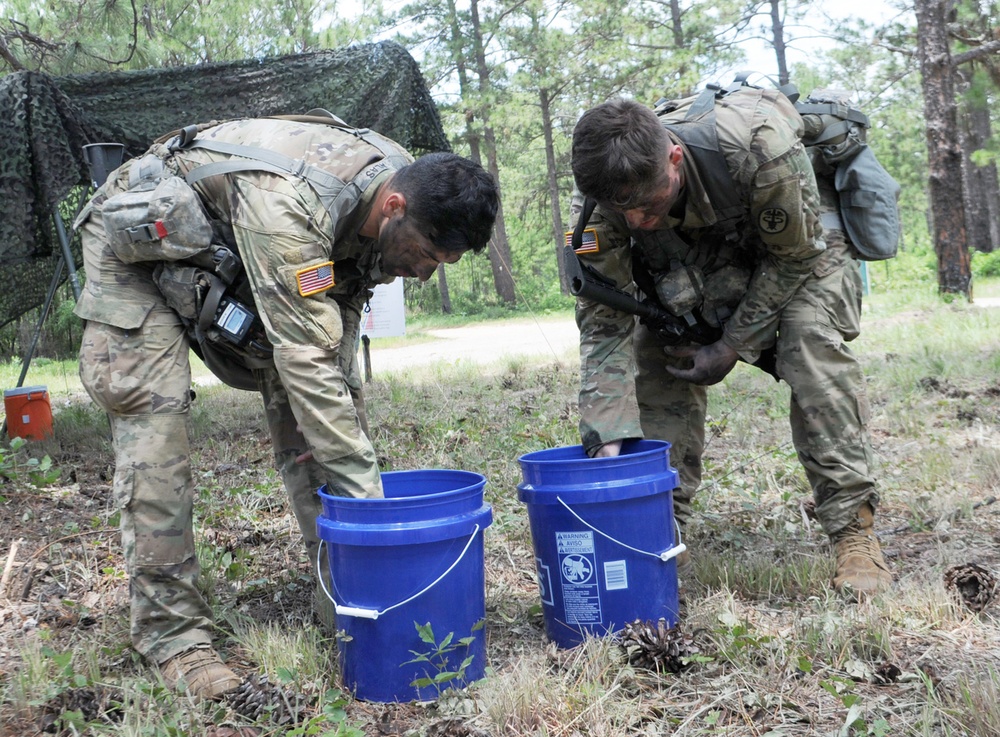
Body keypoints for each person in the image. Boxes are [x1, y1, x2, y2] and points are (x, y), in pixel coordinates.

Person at [73, 113, 499, 701]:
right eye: (426, 254)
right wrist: (375, 517)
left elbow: (333, 322)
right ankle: (173, 636)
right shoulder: (288, 206)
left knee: (328, 419)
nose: (424, 275)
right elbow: (305, 362)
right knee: (156, 430)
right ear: (395, 206)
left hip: (236, 256)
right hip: (140, 244)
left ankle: (349, 600)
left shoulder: (398, 178)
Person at [567, 89, 891, 601]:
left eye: (647, 206)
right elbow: (604, 326)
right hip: (698, 262)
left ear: (674, 157)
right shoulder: (596, 210)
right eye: (620, 211)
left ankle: (854, 531)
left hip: (800, 249)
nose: (635, 223)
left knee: (809, 341)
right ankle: (658, 526)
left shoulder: (761, 144)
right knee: (656, 349)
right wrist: (607, 440)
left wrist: (731, 346)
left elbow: (794, 256)